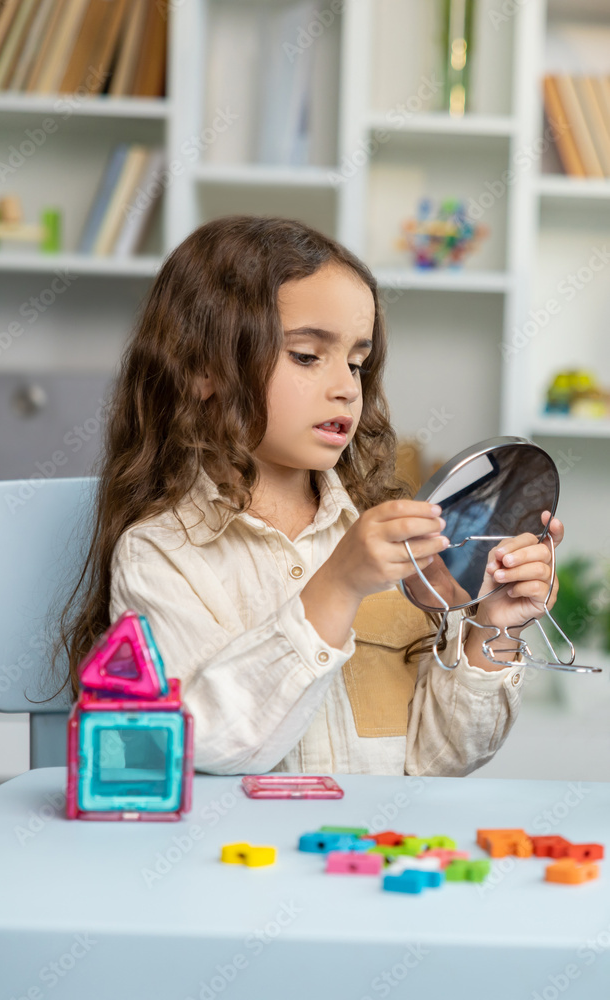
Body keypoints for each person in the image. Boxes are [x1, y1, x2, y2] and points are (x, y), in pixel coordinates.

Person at [58, 215, 562, 776]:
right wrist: (339, 584)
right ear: (204, 370)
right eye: (306, 356)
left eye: (356, 362)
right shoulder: (161, 553)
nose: (347, 387)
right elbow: (203, 743)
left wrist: (495, 626)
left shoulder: (393, 545)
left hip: (372, 855)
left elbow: (438, 761)